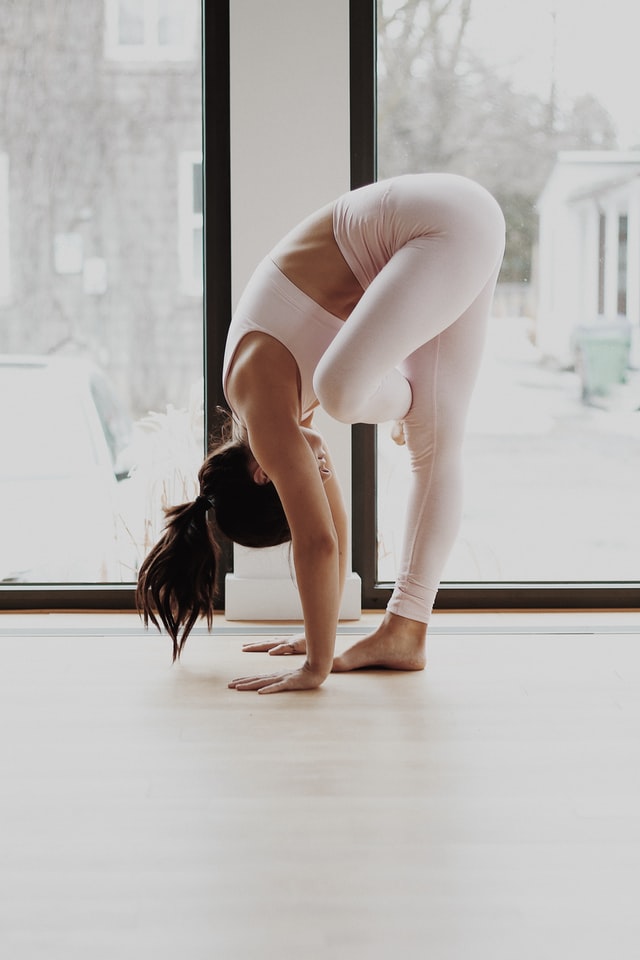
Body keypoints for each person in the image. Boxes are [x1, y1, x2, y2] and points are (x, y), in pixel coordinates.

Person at [137, 173, 505, 694]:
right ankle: (406, 630)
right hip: (460, 228)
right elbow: (335, 527)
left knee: (341, 390)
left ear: (264, 476)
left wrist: (315, 668)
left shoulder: (262, 408)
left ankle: (402, 402)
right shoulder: (281, 413)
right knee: (435, 445)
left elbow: (319, 543)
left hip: (438, 225)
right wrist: (320, 639)